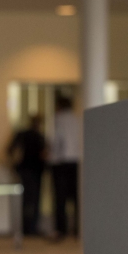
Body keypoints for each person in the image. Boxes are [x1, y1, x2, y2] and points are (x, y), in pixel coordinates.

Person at [7, 113, 47, 237]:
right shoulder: (38, 136)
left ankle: (26, 228)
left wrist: (15, 165)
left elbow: (10, 149)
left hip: (26, 170)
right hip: (34, 171)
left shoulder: (23, 134)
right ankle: (31, 228)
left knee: (26, 200)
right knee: (33, 200)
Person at [48, 93, 81, 241]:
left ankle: (61, 230)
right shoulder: (76, 119)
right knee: (76, 197)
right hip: (76, 161)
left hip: (61, 162)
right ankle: (78, 229)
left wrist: (51, 156)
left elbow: (57, 141)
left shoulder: (59, 119)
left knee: (60, 198)